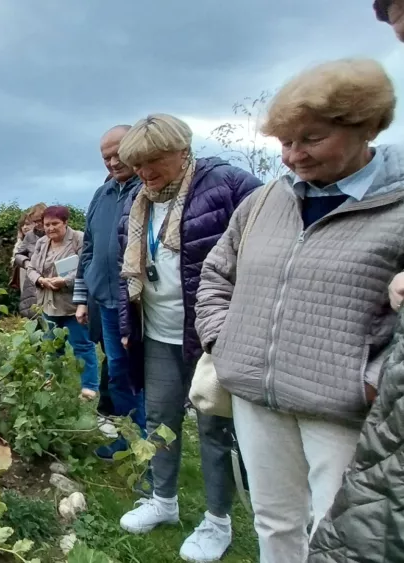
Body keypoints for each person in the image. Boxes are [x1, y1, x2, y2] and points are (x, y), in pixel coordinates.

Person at [195, 59, 403, 563]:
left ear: (365, 126)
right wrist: (226, 342)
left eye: (310, 139)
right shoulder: (266, 200)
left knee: (337, 533)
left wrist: (369, 377)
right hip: (256, 397)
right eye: (285, 142)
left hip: (343, 408)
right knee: (273, 519)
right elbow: (216, 274)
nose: (292, 156)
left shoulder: (396, 206)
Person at [115, 114, 261, 562]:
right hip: (157, 332)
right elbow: (129, 272)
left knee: (216, 428)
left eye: (154, 161)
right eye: (137, 164)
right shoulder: (137, 202)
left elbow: (267, 249)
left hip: (213, 337)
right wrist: (126, 325)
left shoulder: (230, 185)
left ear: (182, 151)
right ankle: (164, 502)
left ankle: (217, 522)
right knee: (160, 422)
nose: (145, 172)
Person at [74, 125, 147, 458]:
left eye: (119, 153)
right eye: (107, 157)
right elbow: (88, 247)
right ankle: (127, 437)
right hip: (104, 301)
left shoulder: (147, 191)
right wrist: (83, 294)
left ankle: (146, 443)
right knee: (117, 372)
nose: (114, 162)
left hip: (134, 303)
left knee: (136, 373)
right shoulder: (101, 195)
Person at [22, 206, 99, 399]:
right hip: (49, 303)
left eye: (55, 224)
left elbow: (87, 266)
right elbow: (31, 267)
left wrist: (65, 281)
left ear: (65, 223)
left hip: (74, 304)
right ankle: (52, 383)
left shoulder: (79, 239)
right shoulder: (41, 243)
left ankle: (89, 388)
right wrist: (40, 280)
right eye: (47, 224)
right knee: (51, 346)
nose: (50, 228)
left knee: (82, 345)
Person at [13, 202, 47, 314]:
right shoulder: (30, 236)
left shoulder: (54, 233)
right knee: (33, 314)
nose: (38, 224)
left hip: (52, 279)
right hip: (33, 281)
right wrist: (26, 263)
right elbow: (18, 254)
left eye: (40, 220)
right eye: (35, 221)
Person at [12, 212, 38, 317]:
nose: (25, 227)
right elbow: (16, 257)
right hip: (24, 272)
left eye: (28, 224)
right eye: (22, 225)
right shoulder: (22, 241)